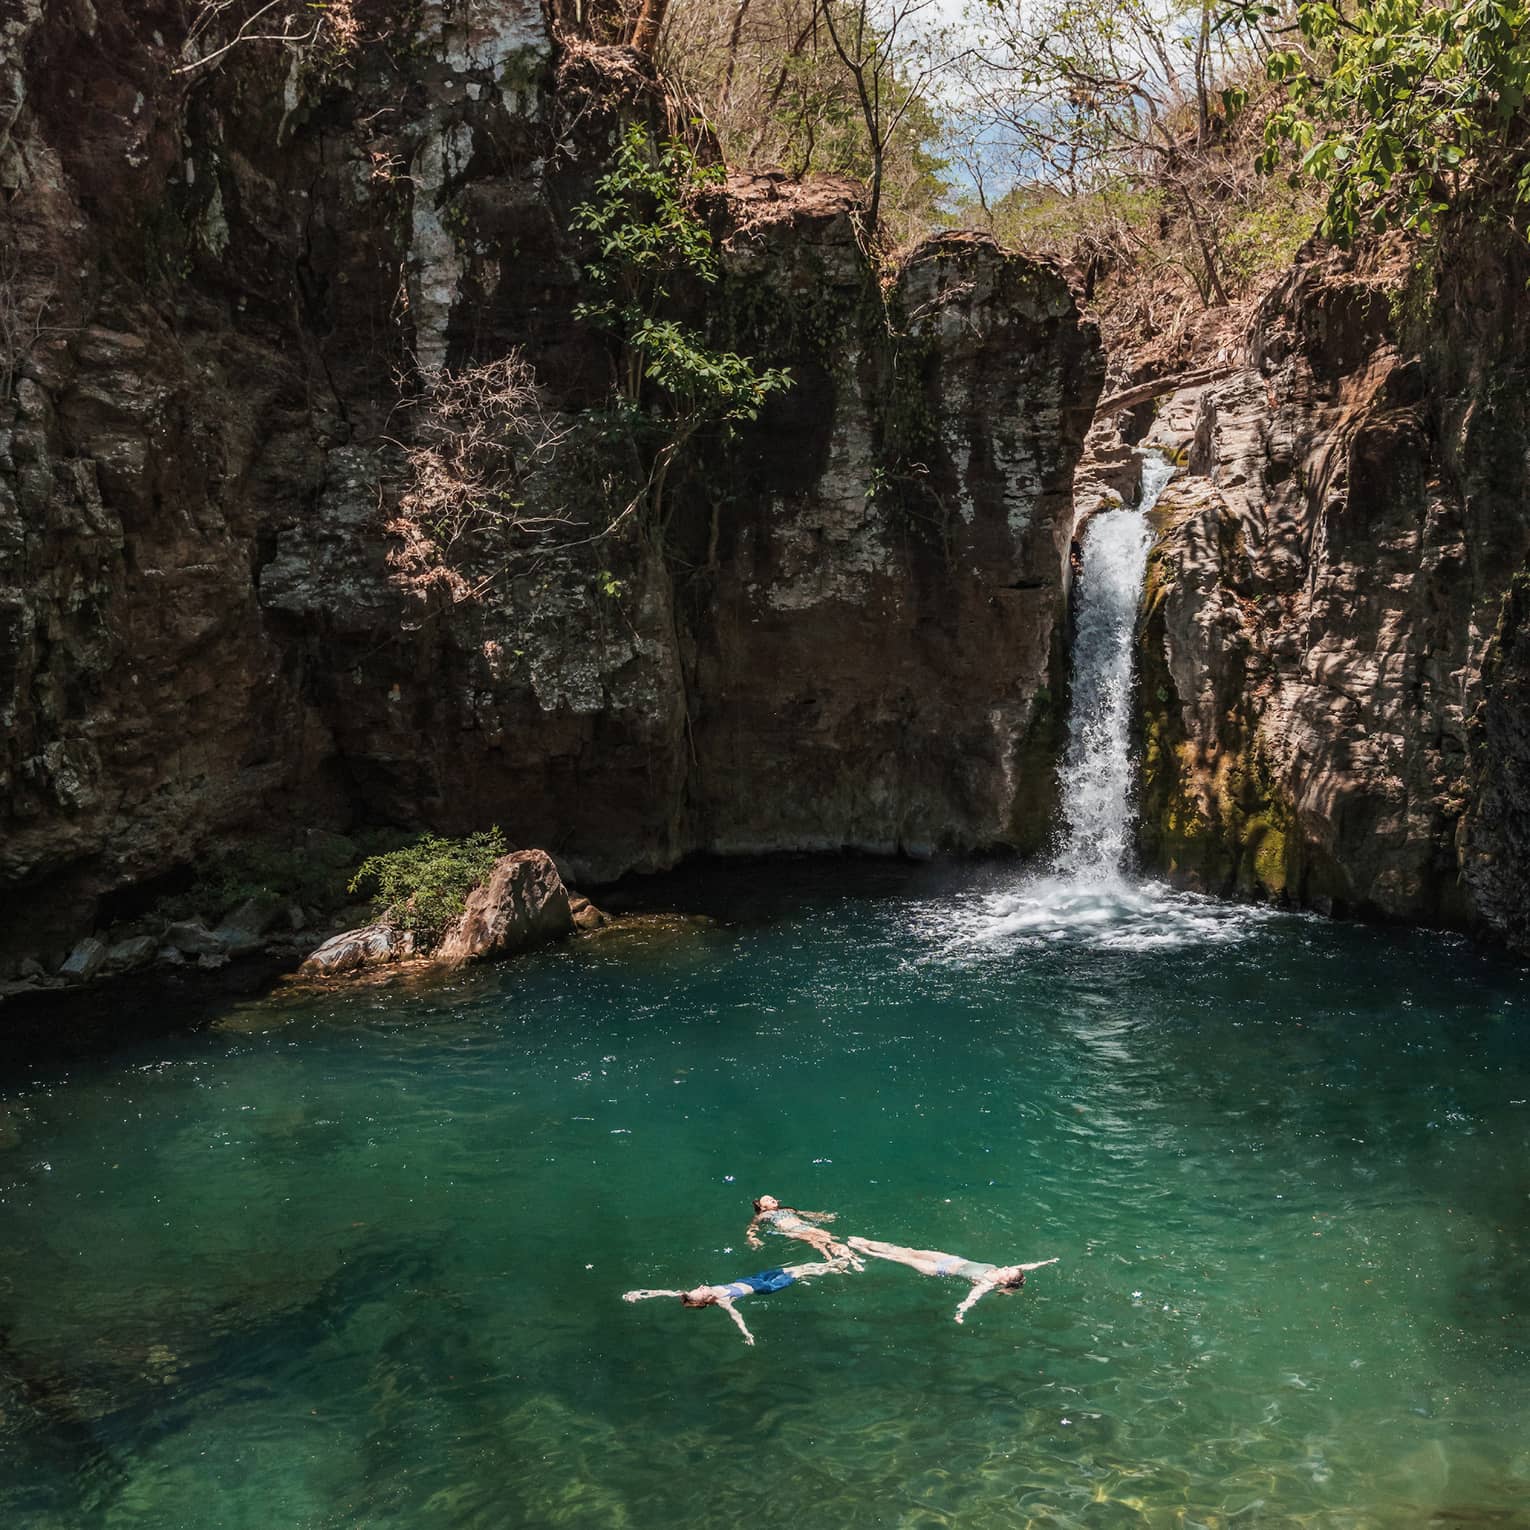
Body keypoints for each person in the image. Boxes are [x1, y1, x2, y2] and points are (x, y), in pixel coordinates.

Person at [623, 1257, 848, 1346]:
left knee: (791, 1267)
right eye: (699, 1290)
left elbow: (663, 1292)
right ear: (705, 1300)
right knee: (798, 1274)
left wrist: (638, 1293)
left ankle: (826, 1265)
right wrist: (746, 1334)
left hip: (750, 1279)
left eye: (699, 1287)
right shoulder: (722, 1300)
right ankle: (830, 1267)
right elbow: (736, 1317)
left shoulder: (703, 1293)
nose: (701, 1286)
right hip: (764, 1289)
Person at [847, 1236, 1058, 1323]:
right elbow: (1027, 1266)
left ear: (1004, 1282)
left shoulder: (987, 1283)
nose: (1005, 1267)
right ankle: (866, 1242)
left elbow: (973, 1297)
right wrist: (1047, 1261)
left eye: (1007, 1271)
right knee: (908, 1250)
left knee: (897, 1258)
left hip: (939, 1269)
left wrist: (961, 1312)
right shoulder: (1001, 1272)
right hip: (950, 1259)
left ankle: (860, 1249)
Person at [745, 1194, 863, 1267]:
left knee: (829, 1237)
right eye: (767, 1199)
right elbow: (752, 1227)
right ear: (762, 1207)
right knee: (815, 1241)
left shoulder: (788, 1209)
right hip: (792, 1230)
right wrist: (752, 1238)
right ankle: (830, 1260)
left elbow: (804, 1213)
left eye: (772, 1198)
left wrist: (821, 1216)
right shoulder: (763, 1216)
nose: (771, 1199)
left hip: (805, 1226)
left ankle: (850, 1256)